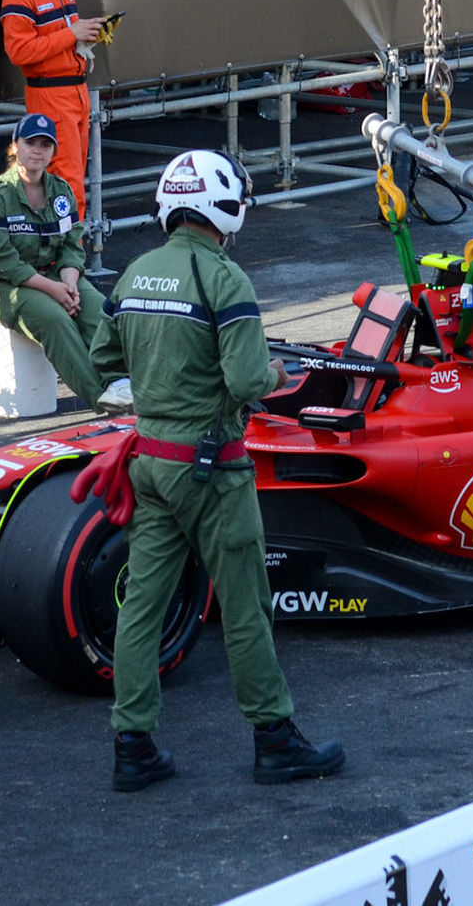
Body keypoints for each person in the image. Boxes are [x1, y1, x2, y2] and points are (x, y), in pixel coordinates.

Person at [91, 150, 342, 791]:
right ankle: (275, 738)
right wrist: (280, 374)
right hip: (214, 470)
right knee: (245, 608)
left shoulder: (136, 273)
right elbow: (247, 379)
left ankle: (132, 746)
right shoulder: (224, 279)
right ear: (221, 207)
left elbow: (103, 355)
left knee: (142, 607)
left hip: (151, 462)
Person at [0, 114, 131, 414]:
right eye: (30, 142)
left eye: (46, 144)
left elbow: (72, 245)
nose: (37, 150)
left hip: (55, 273)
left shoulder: (61, 190)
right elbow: (0, 261)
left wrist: (69, 283)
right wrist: (54, 290)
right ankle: (103, 400)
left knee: (101, 312)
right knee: (55, 320)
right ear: (15, 146)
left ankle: (122, 384)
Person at [0, 0, 118, 214]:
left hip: (73, 94)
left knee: (71, 180)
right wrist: (72, 34)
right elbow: (19, 52)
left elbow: (59, 39)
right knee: (67, 184)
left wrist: (86, 41)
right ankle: (68, 255)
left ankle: (67, 253)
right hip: (52, 97)